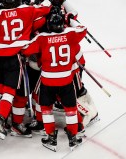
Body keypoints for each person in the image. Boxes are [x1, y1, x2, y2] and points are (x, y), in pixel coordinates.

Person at [0, 0, 53, 140]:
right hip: (13, 57)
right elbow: (45, 9)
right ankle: (0, 121)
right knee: (9, 91)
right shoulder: (26, 10)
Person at [21, 13, 87, 151]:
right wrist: (70, 19)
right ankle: (73, 138)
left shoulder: (42, 38)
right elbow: (83, 28)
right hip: (66, 80)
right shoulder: (71, 35)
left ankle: (51, 138)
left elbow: (25, 50)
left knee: (46, 109)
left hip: (47, 81)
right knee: (70, 110)